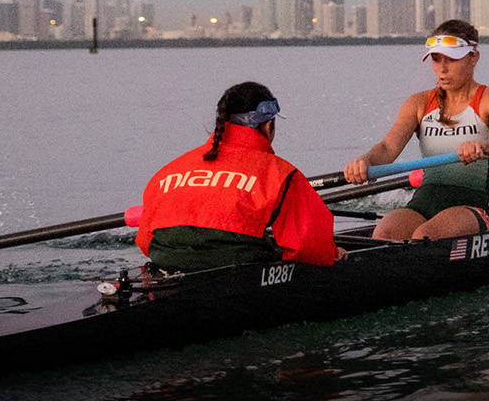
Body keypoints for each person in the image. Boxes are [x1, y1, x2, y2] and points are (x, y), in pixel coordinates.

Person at [343, 20, 489, 240]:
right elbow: (388, 147)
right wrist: (365, 161)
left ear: (473, 57)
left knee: (425, 236)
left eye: (451, 59)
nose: (442, 69)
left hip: (473, 205)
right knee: (384, 233)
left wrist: (484, 146)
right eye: (436, 59)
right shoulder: (418, 103)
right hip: (424, 201)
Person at [136, 81, 338, 271]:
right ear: (269, 126)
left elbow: (145, 242)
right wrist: (334, 253)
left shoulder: (167, 172)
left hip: (166, 270)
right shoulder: (280, 174)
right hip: (237, 277)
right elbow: (310, 248)